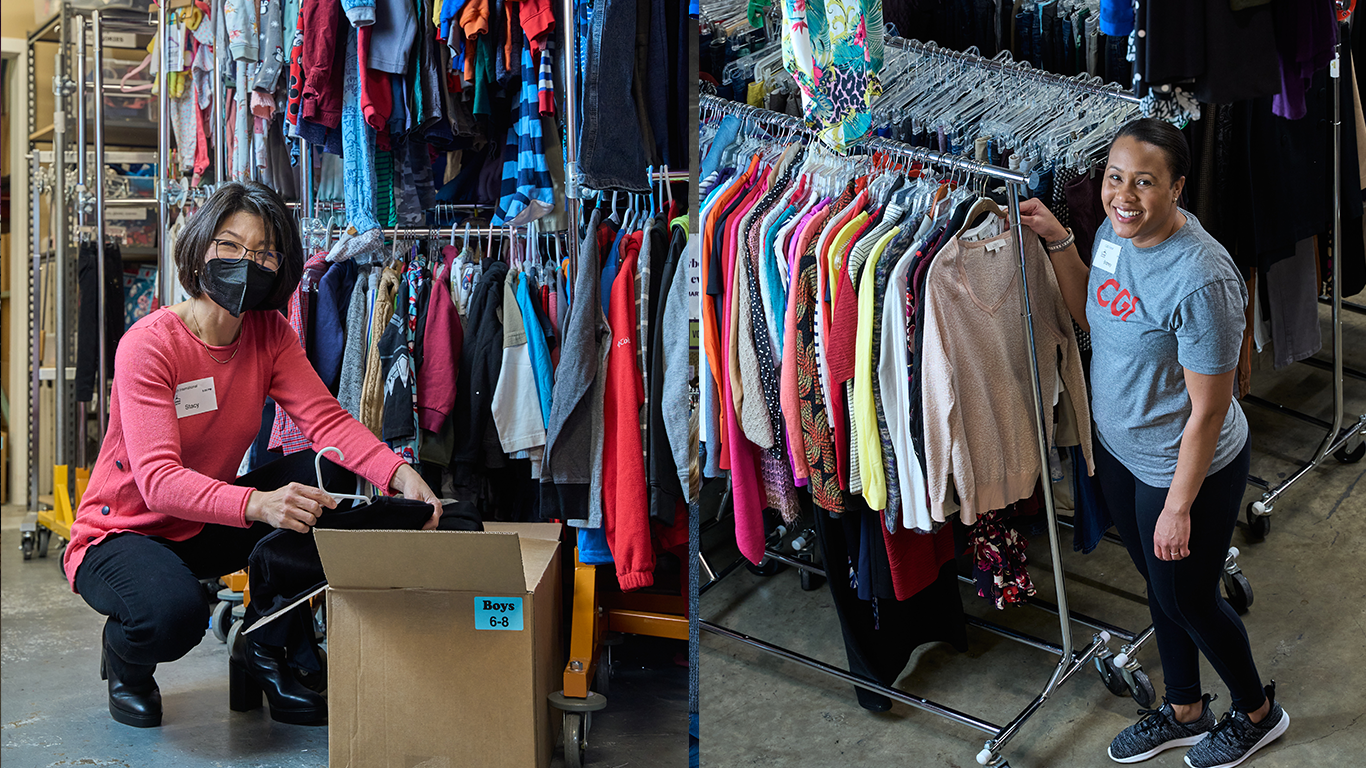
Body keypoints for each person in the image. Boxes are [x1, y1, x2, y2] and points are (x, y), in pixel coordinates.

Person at [63, 181, 443, 729]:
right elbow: (159, 482)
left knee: (329, 468)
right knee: (175, 617)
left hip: (201, 525)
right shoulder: (150, 344)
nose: (247, 262)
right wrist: (260, 505)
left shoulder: (271, 334)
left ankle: (264, 644)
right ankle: (126, 655)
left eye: (264, 252)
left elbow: (328, 423)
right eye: (230, 246)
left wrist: (400, 474)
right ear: (200, 245)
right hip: (123, 532)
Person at [1018, 119, 1290, 768]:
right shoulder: (1115, 231)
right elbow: (1094, 315)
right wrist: (1061, 242)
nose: (1124, 194)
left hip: (1183, 466)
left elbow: (1209, 410)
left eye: (1144, 182)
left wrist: (1177, 506)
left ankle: (1257, 713)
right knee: (1162, 590)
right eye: (1116, 177)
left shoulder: (1202, 279)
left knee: (1190, 597)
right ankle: (1186, 711)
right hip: (1122, 453)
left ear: (1178, 188)